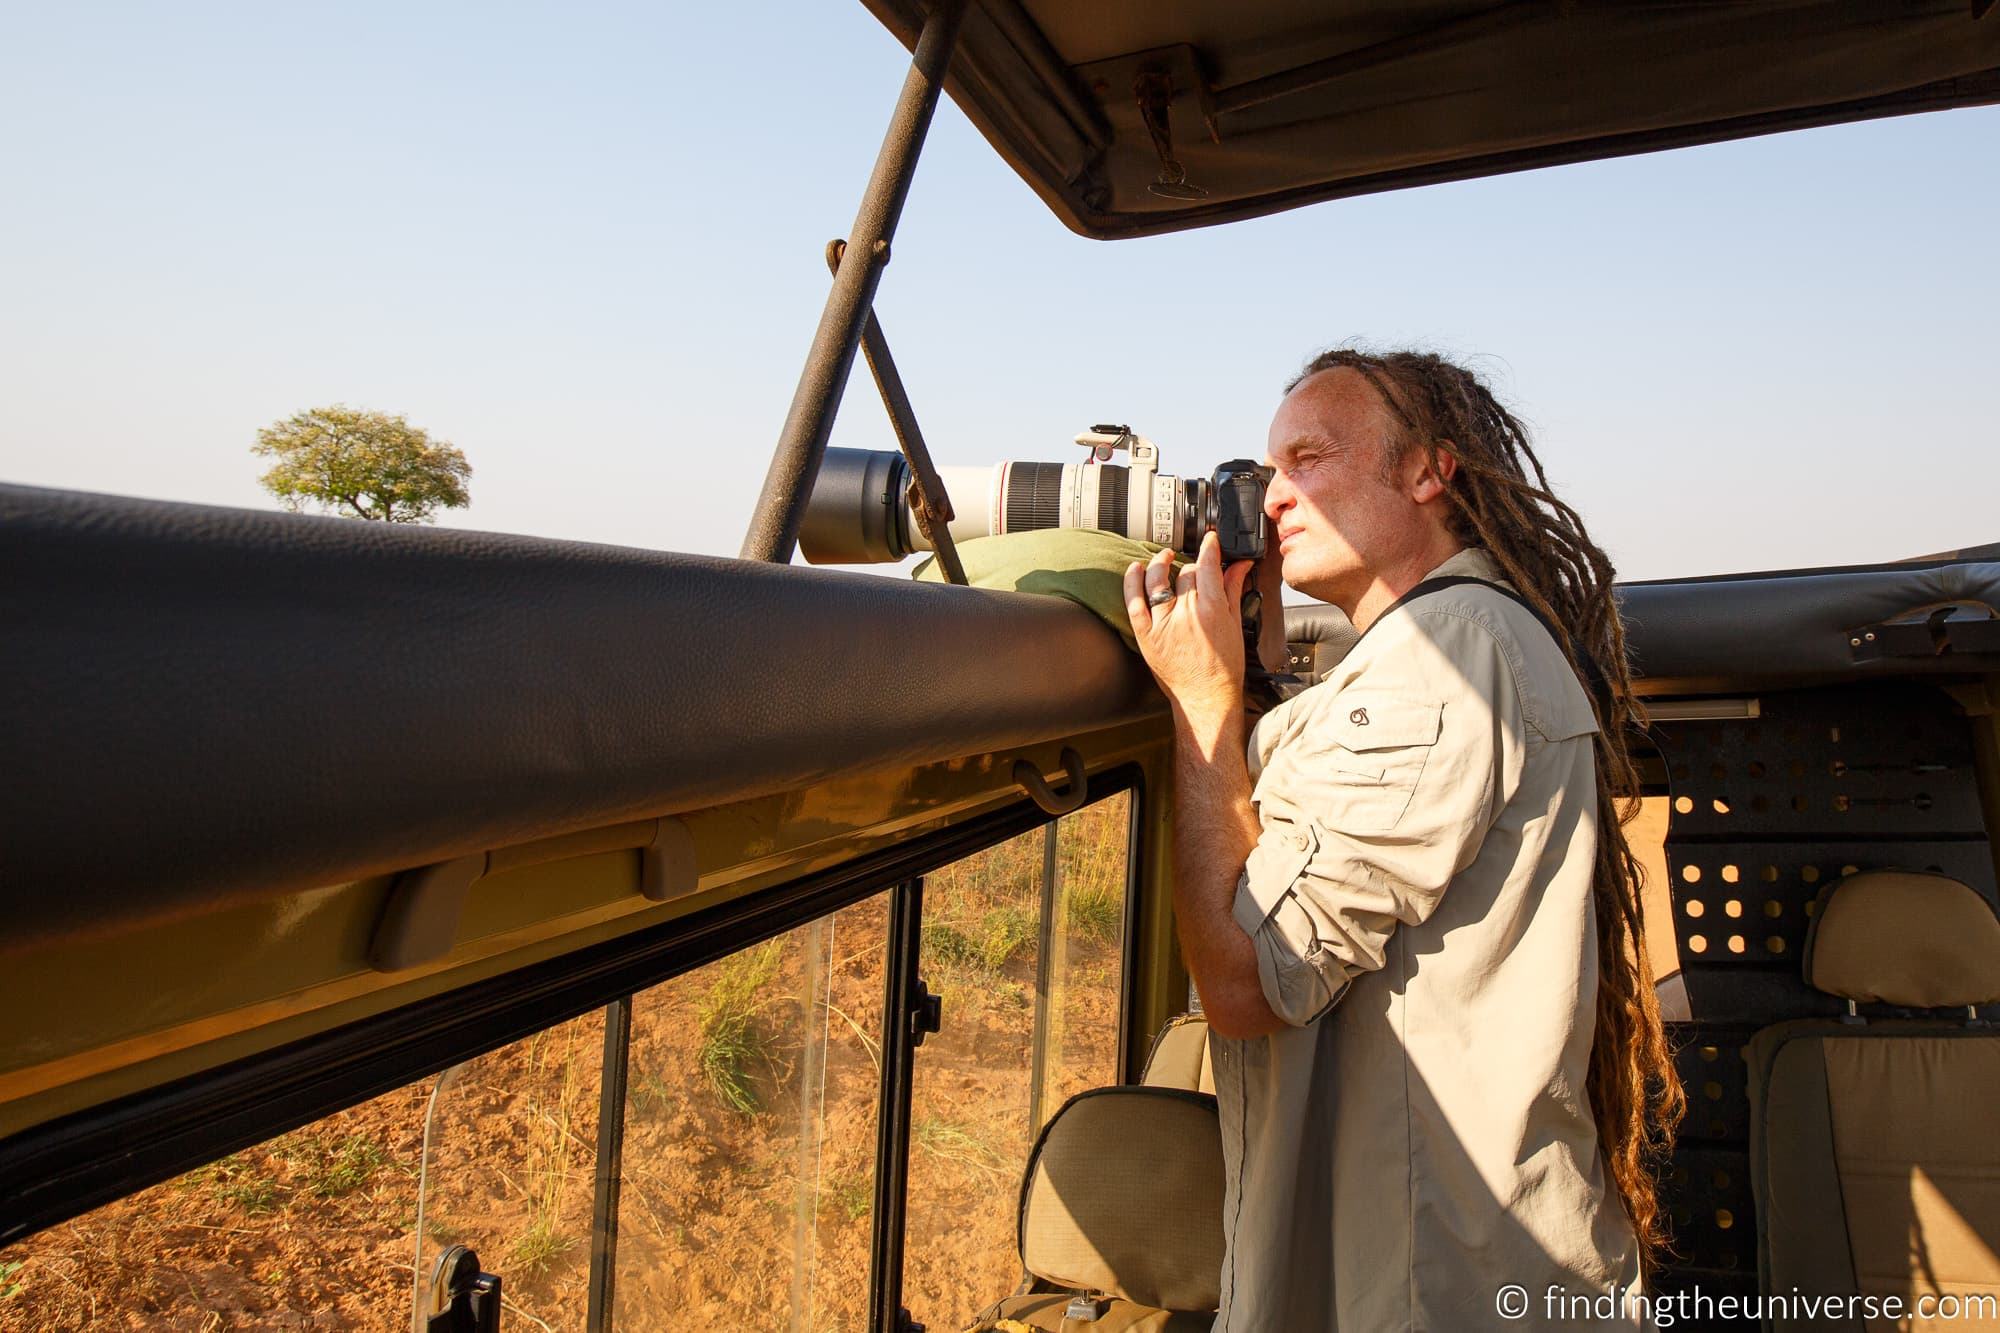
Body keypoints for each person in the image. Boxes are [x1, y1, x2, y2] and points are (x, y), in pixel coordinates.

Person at [1123, 349, 1682, 1330]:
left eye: (1309, 456)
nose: (1275, 495)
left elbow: (1246, 985)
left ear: (1428, 470)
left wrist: (1199, 704)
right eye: (1266, 470)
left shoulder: (1445, 655)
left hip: (1437, 1289)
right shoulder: (1441, 646)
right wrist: (1250, 683)